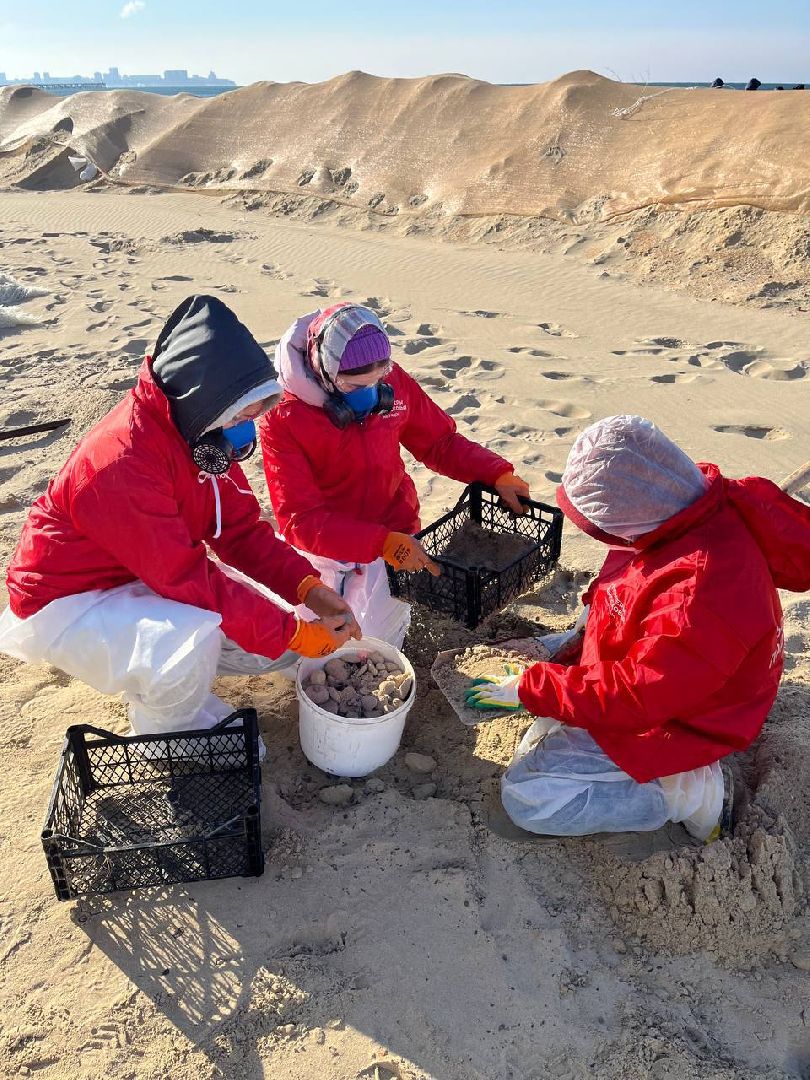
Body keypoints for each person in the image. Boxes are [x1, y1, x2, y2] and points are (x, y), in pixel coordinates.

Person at [0, 295, 360, 743]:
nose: (248, 429)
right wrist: (293, 632)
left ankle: (182, 681)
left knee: (269, 645)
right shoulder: (121, 464)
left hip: (139, 570)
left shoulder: (197, 436)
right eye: (243, 416)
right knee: (193, 643)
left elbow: (241, 532)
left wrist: (311, 590)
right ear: (207, 405)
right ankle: (170, 735)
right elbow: (188, 577)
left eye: (256, 414)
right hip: (68, 599)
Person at [466, 415, 810, 840]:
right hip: (669, 665)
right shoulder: (674, 498)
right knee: (549, 719)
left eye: (604, 529)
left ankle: (693, 791)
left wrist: (535, 687)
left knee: (531, 799)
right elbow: (631, 588)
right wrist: (570, 647)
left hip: (686, 714)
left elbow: (639, 693)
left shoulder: (701, 593)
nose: (604, 539)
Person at [259, 302, 530, 647]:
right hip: (330, 547)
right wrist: (378, 542)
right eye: (355, 386)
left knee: (381, 641)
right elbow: (301, 520)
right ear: (324, 372)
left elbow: (439, 442)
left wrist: (495, 473)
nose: (371, 394)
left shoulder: (393, 382)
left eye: (378, 380)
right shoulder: (283, 417)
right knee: (329, 647)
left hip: (398, 530)